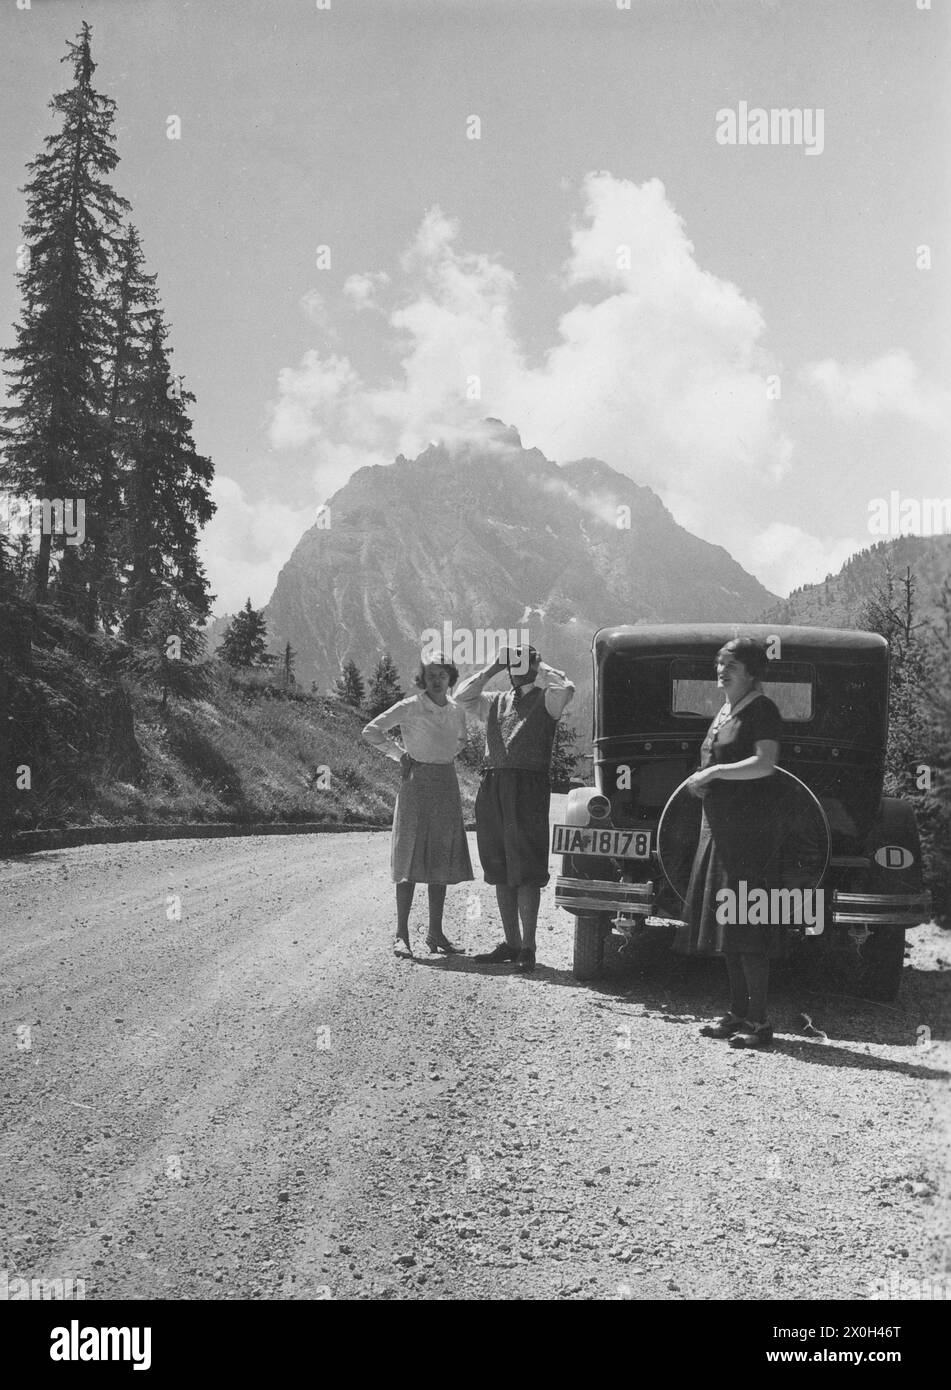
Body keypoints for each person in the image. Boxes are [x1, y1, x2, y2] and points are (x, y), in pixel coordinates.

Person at [674, 637, 785, 1049]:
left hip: (749, 836)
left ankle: (760, 1024)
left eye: (732, 665)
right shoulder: (725, 711)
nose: (722, 670)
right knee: (730, 930)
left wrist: (715, 773)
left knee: (749, 928)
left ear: (753, 673)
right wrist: (706, 779)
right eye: (720, 664)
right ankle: (738, 1013)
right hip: (720, 831)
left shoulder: (763, 709)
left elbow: (764, 763)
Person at [454, 644, 574, 973]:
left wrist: (537, 664)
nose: (518, 666)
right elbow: (461, 697)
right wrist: (493, 667)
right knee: (500, 868)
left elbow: (565, 687)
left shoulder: (548, 697)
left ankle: (529, 946)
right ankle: (511, 941)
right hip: (493, 783)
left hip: (529, 785)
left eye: (526, 660)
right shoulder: (496, 701)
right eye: (515, 661)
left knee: (527, 869)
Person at [362, 653, 473, 957]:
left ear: (451, 678)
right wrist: (400, 755)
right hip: (416, 780)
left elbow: (462, 740)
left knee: (441, 856)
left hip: (446, 782)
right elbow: (371, 730)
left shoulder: (456, 711)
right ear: (422, 680)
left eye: (442, 675)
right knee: (408, 856)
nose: (436, 680)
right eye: (430, 675)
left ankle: (435, 934)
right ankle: (401, 934)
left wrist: (445, 756)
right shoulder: (410, 706)